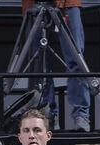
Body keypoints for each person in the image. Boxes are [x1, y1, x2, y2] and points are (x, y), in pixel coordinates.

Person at [22, 0, 91, 132]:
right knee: (39, 63)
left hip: (67, 4)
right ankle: (47, 115)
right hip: (33, 5)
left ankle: (81, 115)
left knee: (76, 59)